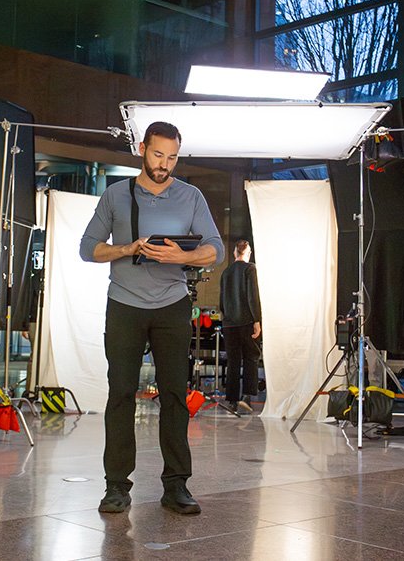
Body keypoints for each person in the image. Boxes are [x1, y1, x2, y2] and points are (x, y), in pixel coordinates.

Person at [80, 121, 224, 515]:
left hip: (172, 303)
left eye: (173, 157)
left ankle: (176, 485)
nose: (165, 164)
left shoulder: (191, 196)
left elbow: (216, 249)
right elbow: (87, 248)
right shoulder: (115, 195)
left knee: (175, 395)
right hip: (124, 303)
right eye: (158, 154)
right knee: (121, 393)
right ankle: (116, 487)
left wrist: (181, 256)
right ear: (142, 148)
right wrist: (127, 248)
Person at [219, 240, 262, 414]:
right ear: (248, 252)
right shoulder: (250, 269)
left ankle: (231, 400)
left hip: (229, 323)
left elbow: (221, 301)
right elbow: (253, 296)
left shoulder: (226, 272)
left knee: (233, 360)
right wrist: (257, 320)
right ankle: (247, 396)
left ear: (235, 253)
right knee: (251, 356)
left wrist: (226, 316)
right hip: (246, 321)